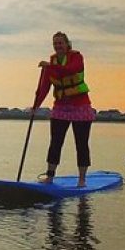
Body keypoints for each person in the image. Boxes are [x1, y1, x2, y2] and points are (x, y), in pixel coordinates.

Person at [37, 32, 95, 187]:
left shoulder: (77, 57)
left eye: (60, 43)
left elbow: (70, 70)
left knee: (81, 143)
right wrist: (36, 105)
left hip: (80, 107)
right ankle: (50, 176)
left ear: (67, 44)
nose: (57, 46)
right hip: (60, 107)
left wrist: (50, 66)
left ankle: (82, 180)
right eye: (55, 43)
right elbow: (44, 87)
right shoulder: (51, 63)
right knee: (55, 142)